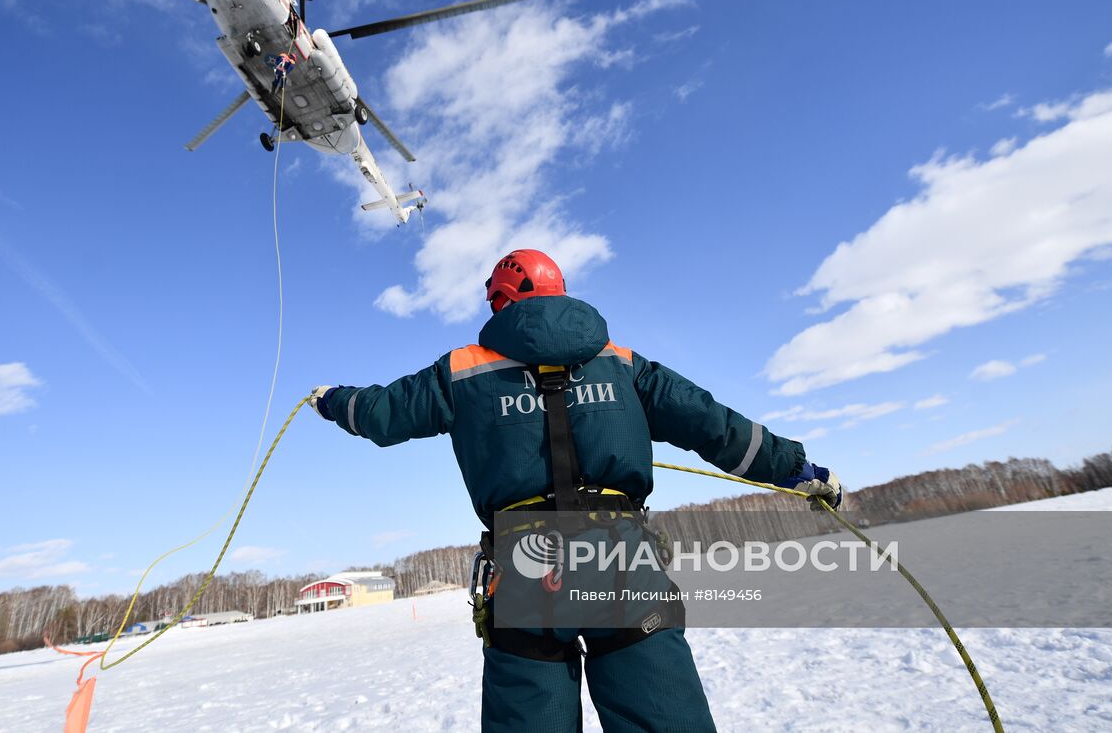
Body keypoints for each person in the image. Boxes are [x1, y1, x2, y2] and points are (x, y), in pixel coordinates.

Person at [310, 248, 841, 733]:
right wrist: (797, 469)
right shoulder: (624, 363)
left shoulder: (461, 371)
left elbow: (381, 415)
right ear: (559, 290)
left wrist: (332, 400)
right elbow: (715, 425)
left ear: (499, 301)